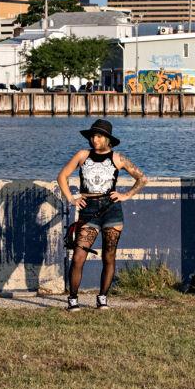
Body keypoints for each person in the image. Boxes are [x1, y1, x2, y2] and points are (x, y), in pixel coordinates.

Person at [55, 118, 147, 311]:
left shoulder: (118, 158)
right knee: (78, 256)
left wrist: (125, 195)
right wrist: (71, 198)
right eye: (92, 136)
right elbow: (62, 176)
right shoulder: (82, 155)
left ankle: (102, 298)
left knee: (109, 256)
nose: (94, 140)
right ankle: (73, 299)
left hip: (111, 210)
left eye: (98, 136)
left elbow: (142, 178)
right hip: (88, 209)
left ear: (108, 139)